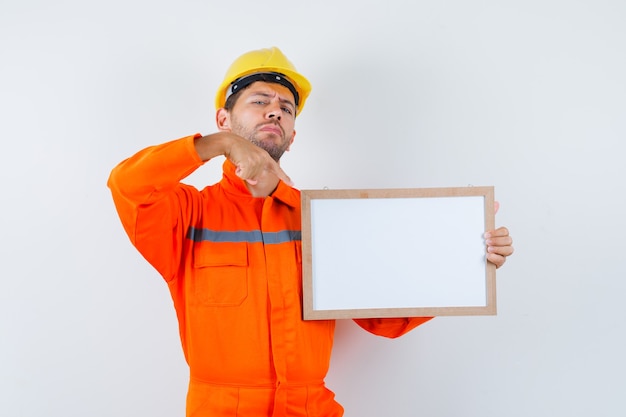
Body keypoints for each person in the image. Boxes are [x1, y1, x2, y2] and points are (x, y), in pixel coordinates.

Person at [107, 46, 514, 417]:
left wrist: (468, 258)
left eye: (286, 107)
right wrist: (217, 146)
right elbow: (128, 186)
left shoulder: (322, 221)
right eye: (260, 101)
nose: (275, 111)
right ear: (223, 119)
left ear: (293, 135)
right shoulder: (189, 214)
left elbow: (386, 320)